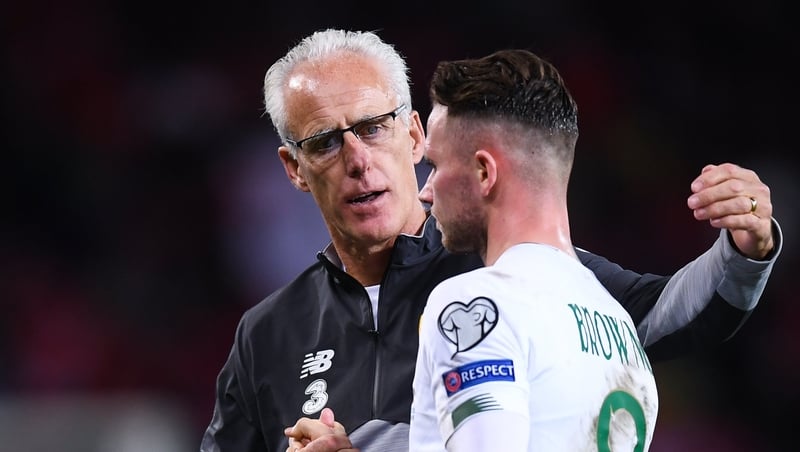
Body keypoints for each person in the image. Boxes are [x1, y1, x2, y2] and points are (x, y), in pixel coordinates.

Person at [200, 29, 781, 452]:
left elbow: (671, 314)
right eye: (326, 141)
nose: (358, 159)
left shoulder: (509, 276)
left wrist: (745, 247)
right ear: (294, 168)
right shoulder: (267, 333)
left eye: (374, 128)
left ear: (412, 135)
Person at [409, 48, 659, 451]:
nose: (425, 191)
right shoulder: (620, 327)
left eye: (434, 166)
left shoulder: (477, 302)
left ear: (484, 172)